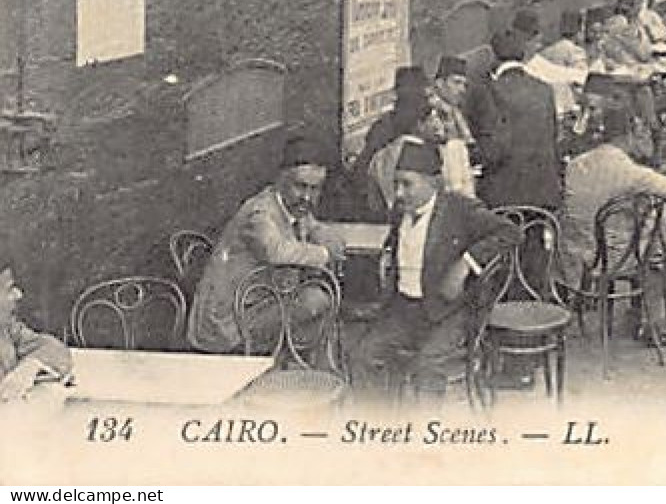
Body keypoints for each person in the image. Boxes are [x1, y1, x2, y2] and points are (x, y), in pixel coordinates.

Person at [350, 141, 521, 398]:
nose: (398, 193)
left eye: (407, 184)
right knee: (362, 357)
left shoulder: (459, 209)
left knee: (426, 366)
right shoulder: (400, 211)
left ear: (434, 183)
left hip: (449, 312)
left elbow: (510, 232)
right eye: (396, 184)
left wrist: (466, 263)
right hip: (404, 309)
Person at [189, 136, 349, 354]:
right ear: (280, 180)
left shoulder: (293, 206)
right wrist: (324, 253)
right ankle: (301, 366)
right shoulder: (260, 212)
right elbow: (275, 251)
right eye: (300, 186)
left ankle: (302, 365)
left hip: (260, 302)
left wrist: (329, 239)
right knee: (316, 300)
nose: (307, 197)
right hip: (228, 320)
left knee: (319, 304)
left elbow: (314, 226)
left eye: (316, 189)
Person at [558, 99, 666, 292]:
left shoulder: (575, 166)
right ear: (630, 133)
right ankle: (665, 305)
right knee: (659, 226)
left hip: (574, 255)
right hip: (616, 259)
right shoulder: (631, 173)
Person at [481, 26, 563, 209]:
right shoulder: (545, 89)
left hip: (503, 195)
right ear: (523, 54)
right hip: (543, 192)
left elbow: (493, 149)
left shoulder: (490, 91)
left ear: (494, 57)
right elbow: (554, 135)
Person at [0, 260, 72, 402]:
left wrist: (31, 366)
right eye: (9, 289)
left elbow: (54, 348)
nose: (18, 294)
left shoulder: (7, 329)